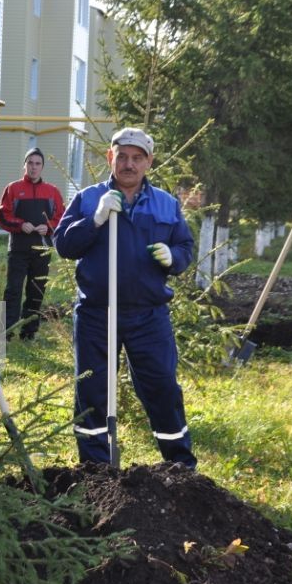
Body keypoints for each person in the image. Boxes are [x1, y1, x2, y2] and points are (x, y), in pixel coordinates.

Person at [54, 127, 196, 468]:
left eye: (137, 158)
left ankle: (179, 465)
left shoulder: (166, 203)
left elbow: (185, 247)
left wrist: (173, 257)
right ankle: (96, 469)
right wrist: (95, 219)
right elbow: (63, 244)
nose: (129, 164)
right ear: (110, 158)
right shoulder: (89, 199)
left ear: (149, 162)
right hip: (96, 314)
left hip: (148, 315)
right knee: (92, 392)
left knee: (162, 386)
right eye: (122, 157)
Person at [0, 147, 65, 341]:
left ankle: (29, 332)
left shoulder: (52, 192)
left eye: (38, 164)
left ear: (42, 167)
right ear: (24, 165)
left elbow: (61, 217)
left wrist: (49, 227)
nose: (33, 168)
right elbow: (2, 215)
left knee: (36, 290)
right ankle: (6, 331)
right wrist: (20, 224)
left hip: (42, 250)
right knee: (13, 290)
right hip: (18, 249)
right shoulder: (13, 188)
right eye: (30, 163)